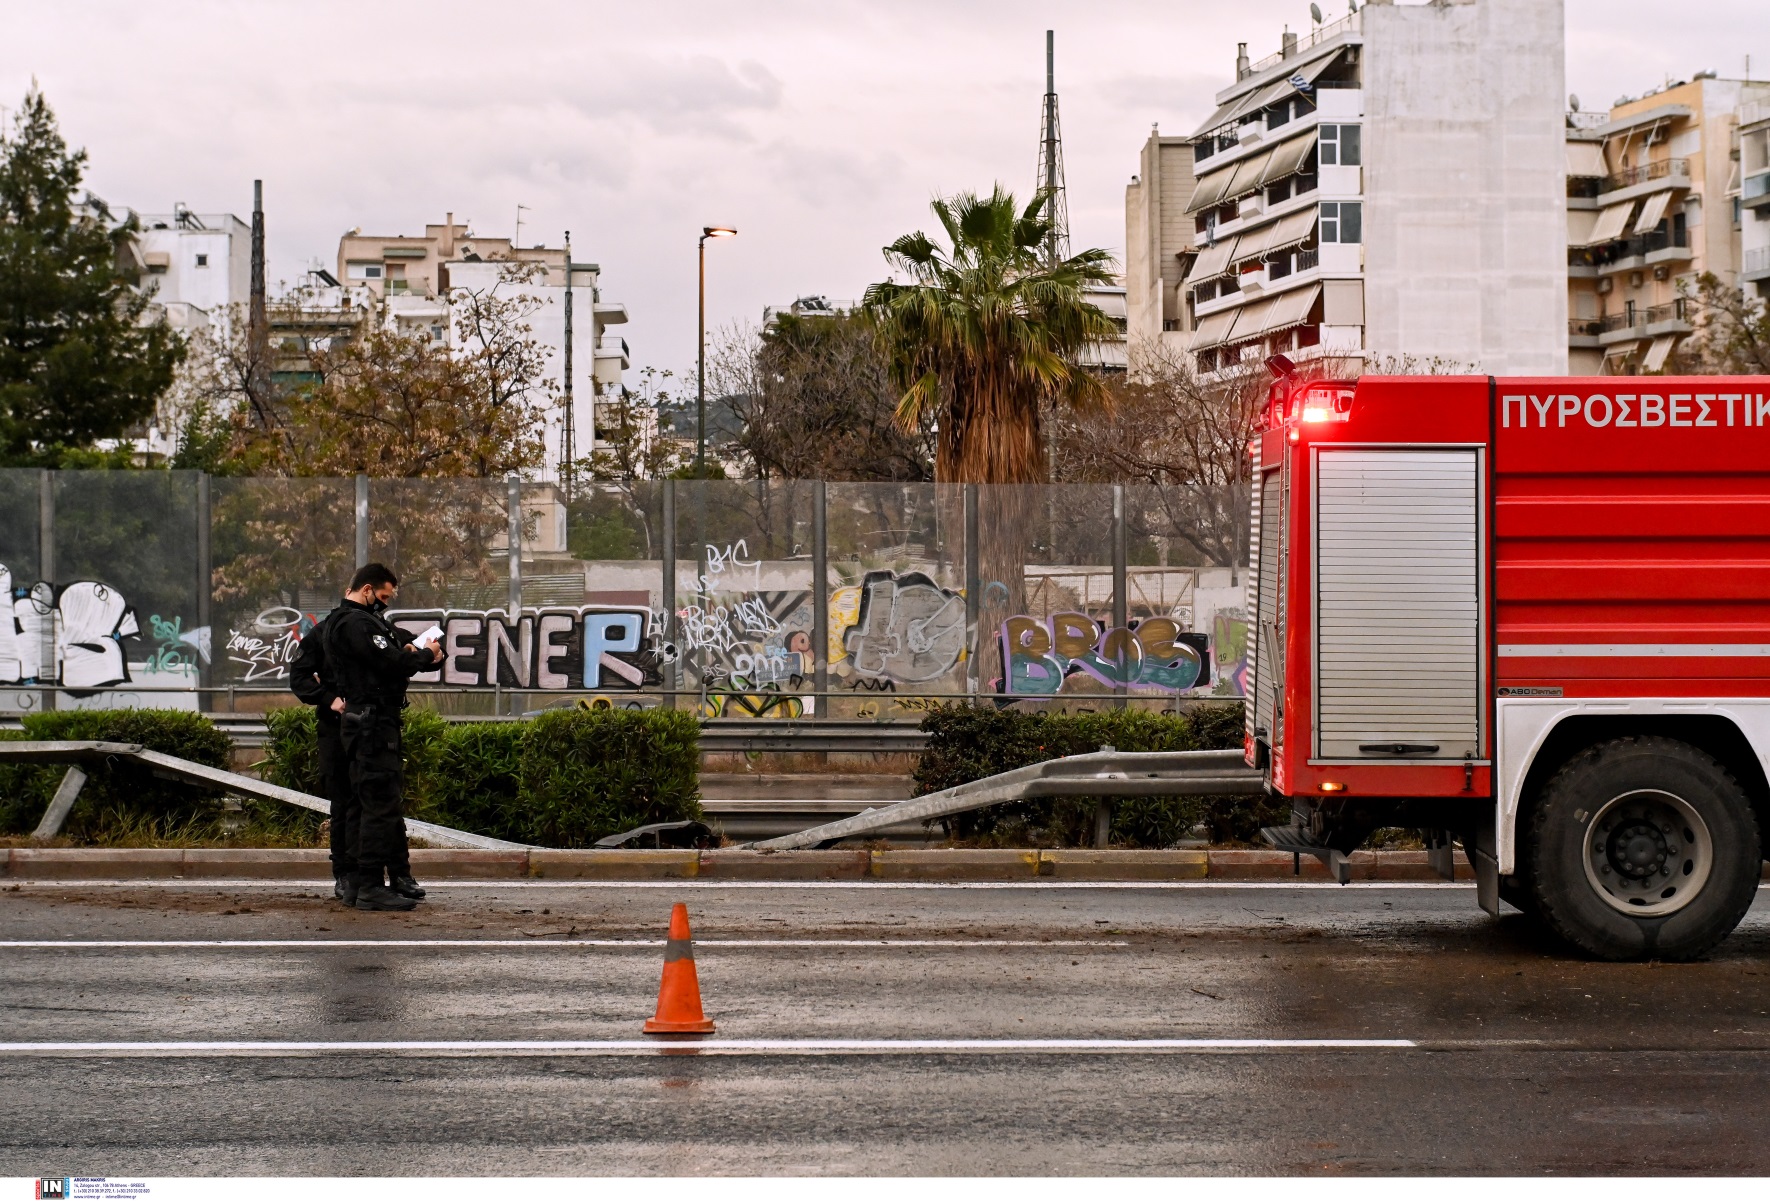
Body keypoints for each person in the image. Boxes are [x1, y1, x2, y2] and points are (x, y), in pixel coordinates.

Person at [324, 562, 444, 912]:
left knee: (364, 804)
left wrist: (422, 653)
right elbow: (391, 662)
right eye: (382, 596)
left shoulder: (358, 623)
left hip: (367, 721)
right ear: (366, 590)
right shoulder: (355, 624)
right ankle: (372, 885)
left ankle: (359, 883)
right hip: (373, 724)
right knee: (379, 804)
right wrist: (424, 655)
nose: (385, 603)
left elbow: (397, 652)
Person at [287, 604, 356, 904]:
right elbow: (299, 676)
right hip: (335, 730)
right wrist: (330, 699)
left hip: (370, 730)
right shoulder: (323, 632)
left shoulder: (370, 628)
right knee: (342, 804)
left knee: (370, 804)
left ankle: (371, 874)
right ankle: (344, 874)